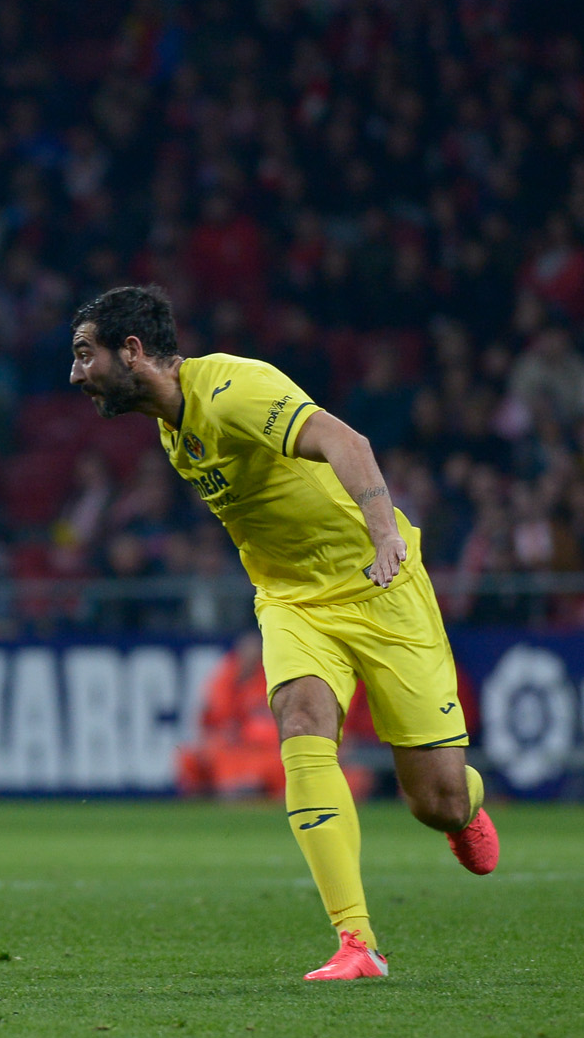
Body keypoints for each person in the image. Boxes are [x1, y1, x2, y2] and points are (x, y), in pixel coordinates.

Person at [69, 284, 497, 983]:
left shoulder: (236, 389)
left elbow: (343, 439)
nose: (76, 374)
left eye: (86, 356)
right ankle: (357, 943)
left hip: (379, 585)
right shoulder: (168, 427)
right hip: (293, 601)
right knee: (299, 719)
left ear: (134, 351)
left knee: (435, 800)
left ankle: (465, 806)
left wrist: (386, 534)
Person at [175, 632, 285, 800]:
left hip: (258, 744)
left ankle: (247, 788)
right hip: (229, 742)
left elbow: (267, 722)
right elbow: (212, 717)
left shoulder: (270, 678)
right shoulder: (225, 676)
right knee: (190, 754)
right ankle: (221, 793)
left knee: (267, 755)